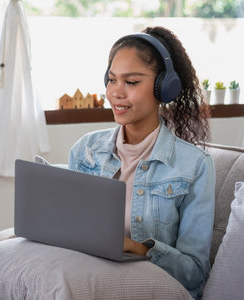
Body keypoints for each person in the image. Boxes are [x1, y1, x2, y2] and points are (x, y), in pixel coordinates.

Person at [68, 26, 215, 299]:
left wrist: (135, 247)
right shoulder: (85, 150)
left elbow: (194, 274)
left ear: (164, 87)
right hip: (85, 278)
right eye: (112, 80)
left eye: (131, 82)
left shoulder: (195, 167)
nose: (115, 93)